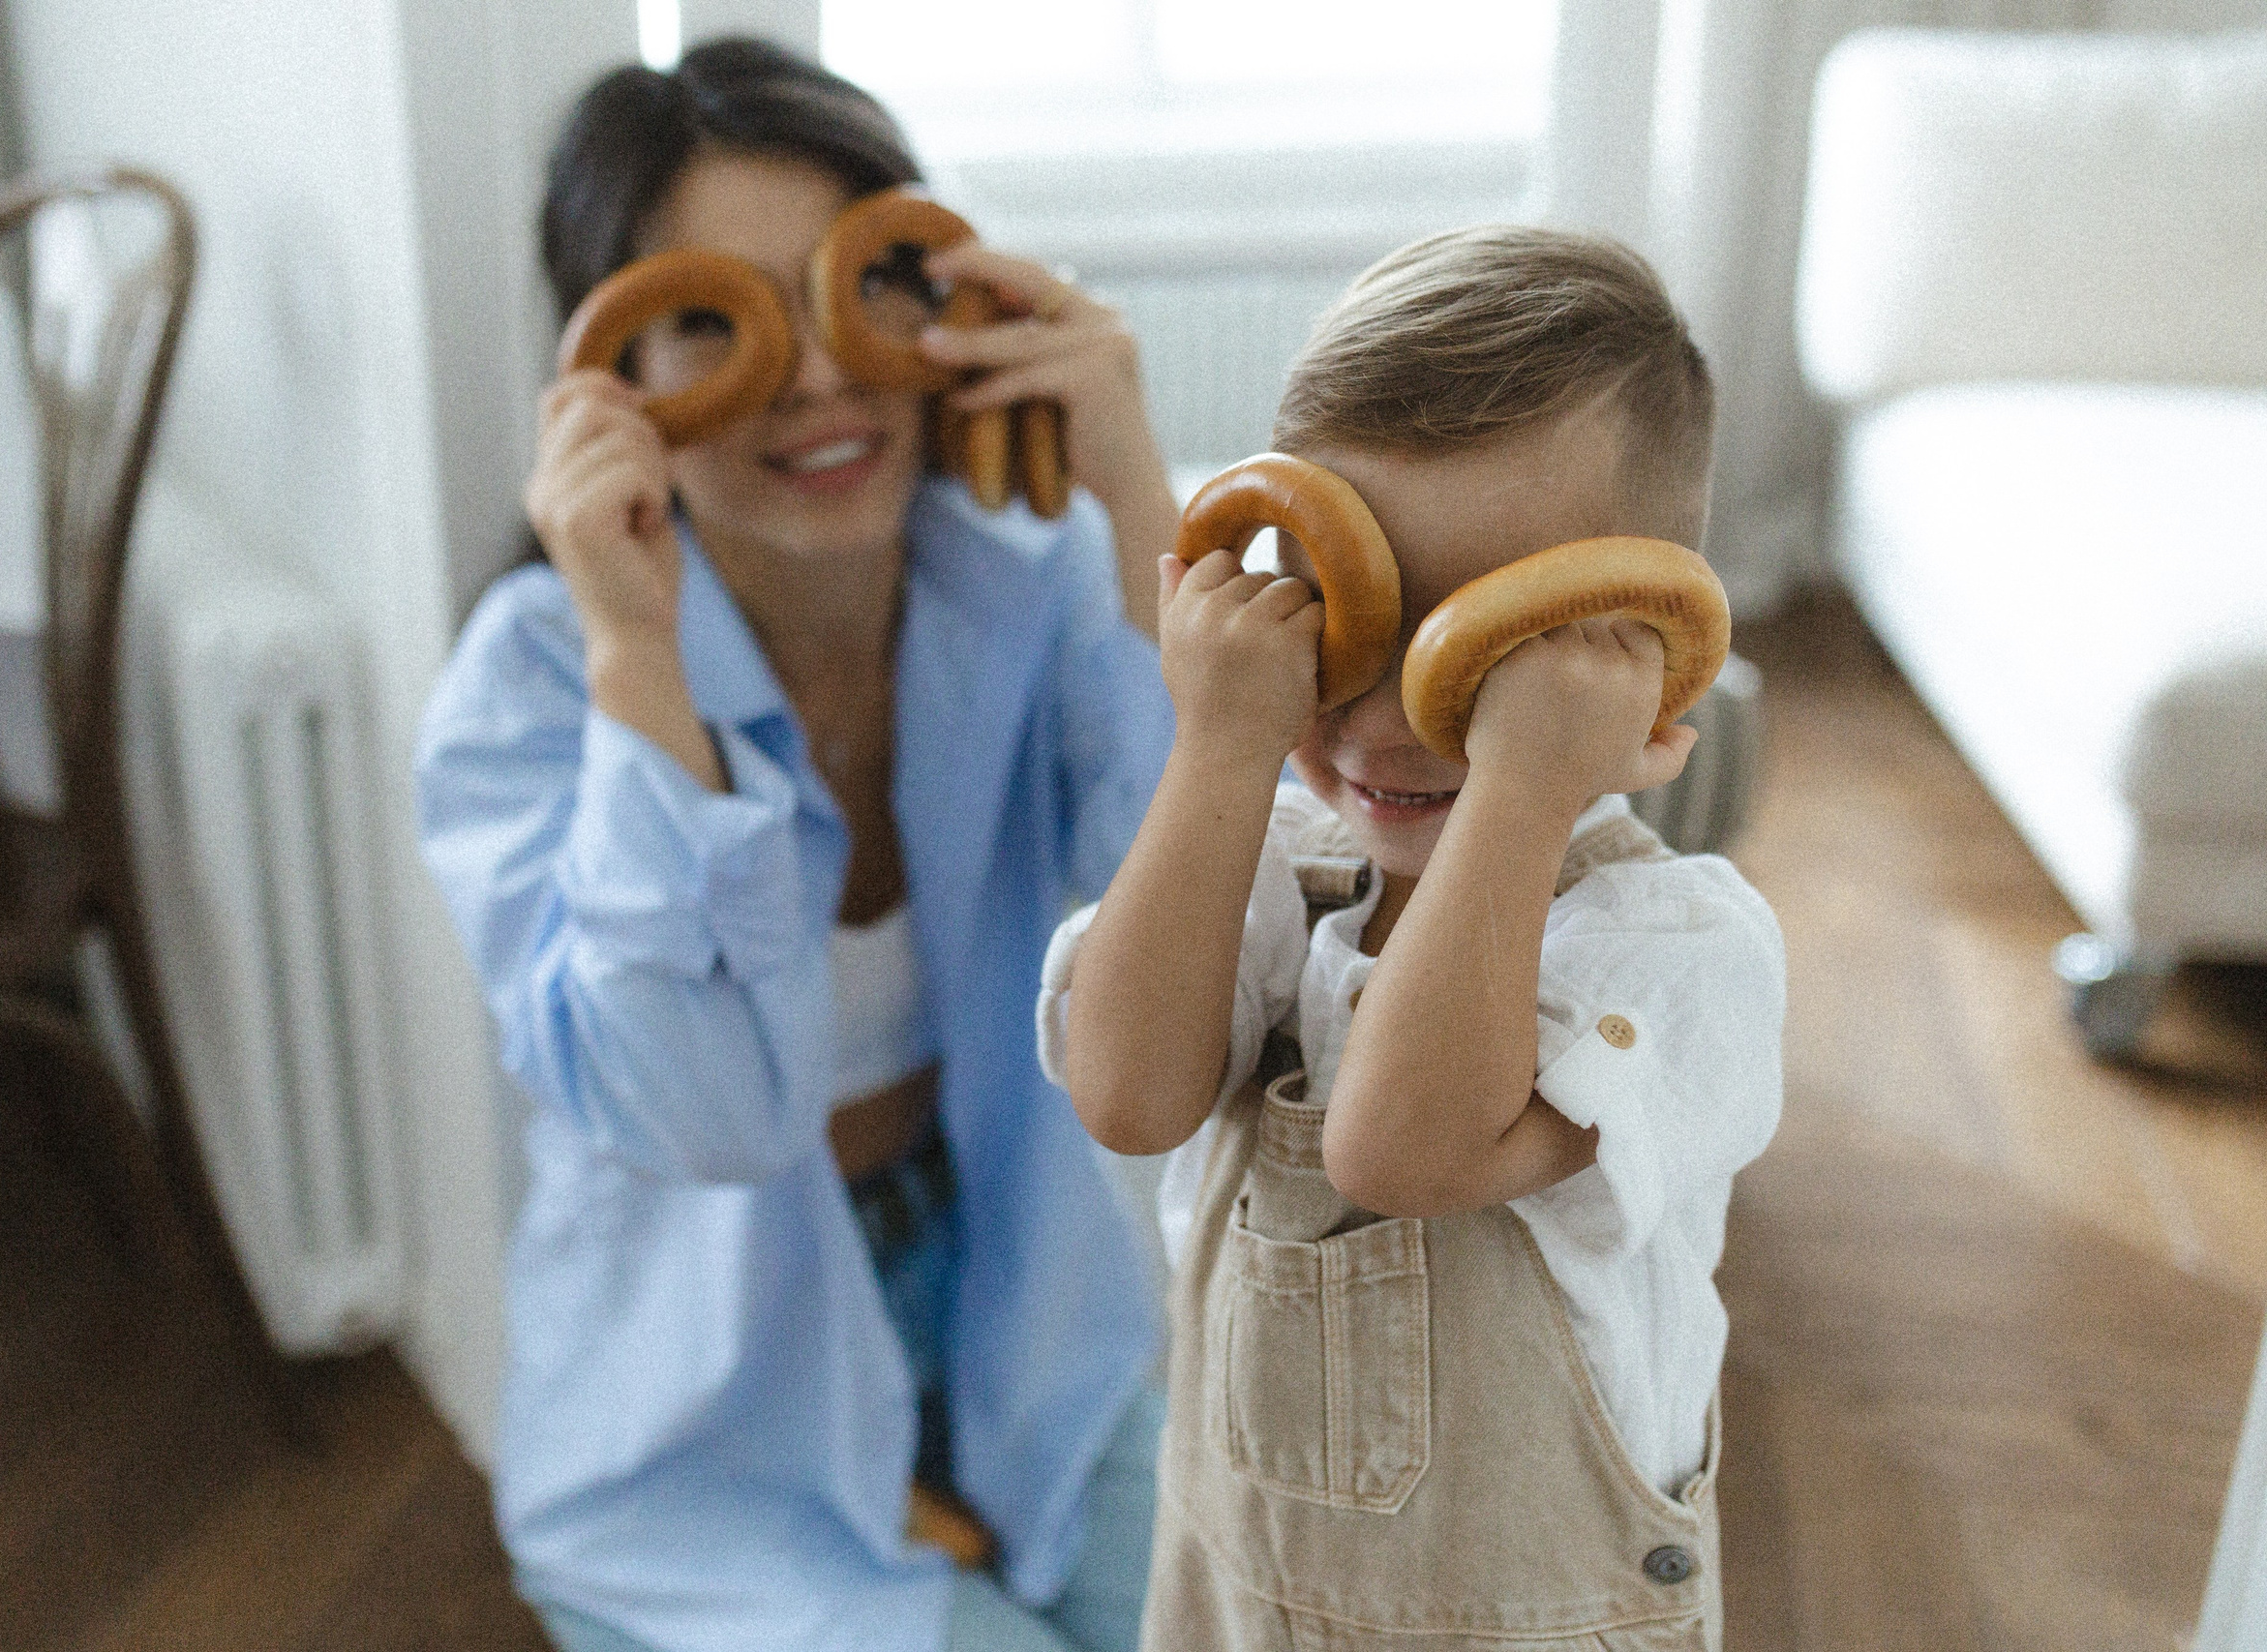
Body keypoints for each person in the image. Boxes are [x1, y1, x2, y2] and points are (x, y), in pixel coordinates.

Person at [414, 39, 1180, 1652]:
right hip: (706, 1396)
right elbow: (697, 1115)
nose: (820, 376)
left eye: (862, 287)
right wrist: (641, 661)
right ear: (612, 373)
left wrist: (1134, 491)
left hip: (1015, 1300)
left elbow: (1205, 928)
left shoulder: (1022, 578)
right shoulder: (530, 689)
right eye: (716, 320)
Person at [1038, 227, 1786, 1650]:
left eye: (1484, 652)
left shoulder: (1679, 948)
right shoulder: (1267, 863)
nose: (1385, 719)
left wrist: (1524, 786)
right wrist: (1217, 748)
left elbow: (1401, 1152)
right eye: (1347, 615)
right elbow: (1126, 1096)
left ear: (1643, 653)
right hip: (1233, 1591)